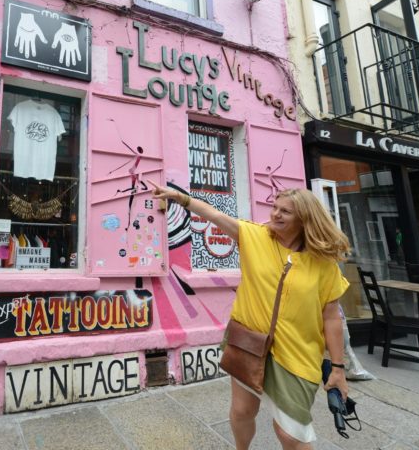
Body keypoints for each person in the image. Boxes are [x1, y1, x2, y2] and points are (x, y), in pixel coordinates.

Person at [148, 181, 350, 450]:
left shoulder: (323, 262)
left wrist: (337, 368)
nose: (275, 214)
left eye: (285, 211)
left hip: (298, 354)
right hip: (249, 344)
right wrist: (180, 199)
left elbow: (332, 317)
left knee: (291, 433)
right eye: (275, 208)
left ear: (303, 219)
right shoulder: (255, 237)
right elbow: (215, 216)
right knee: (242, 411)